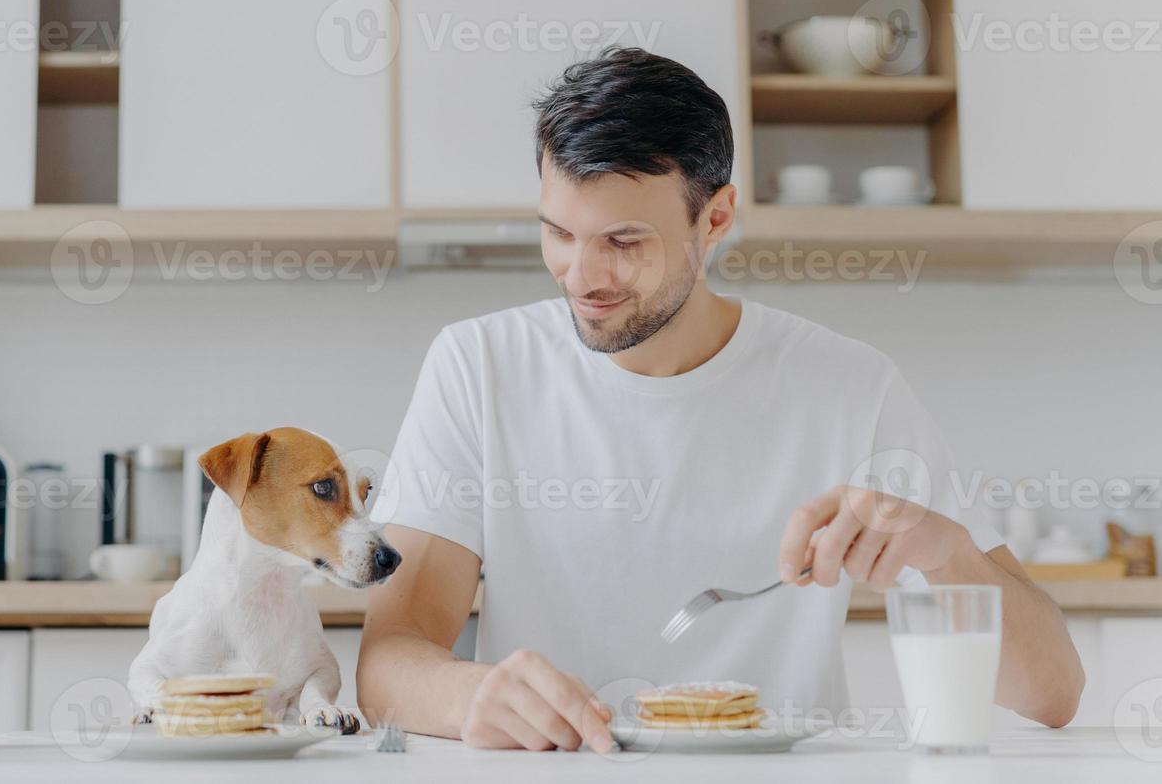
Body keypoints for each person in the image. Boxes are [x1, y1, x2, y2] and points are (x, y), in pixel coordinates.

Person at [356, 47, 1084, 752]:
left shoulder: (850, 388)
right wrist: (469, 697)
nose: (582, 276)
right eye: (558, 233)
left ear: (717, 219)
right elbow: (391, 659)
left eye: (624, 240)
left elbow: (1054, 692)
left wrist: (949, 552)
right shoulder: (479, 367)